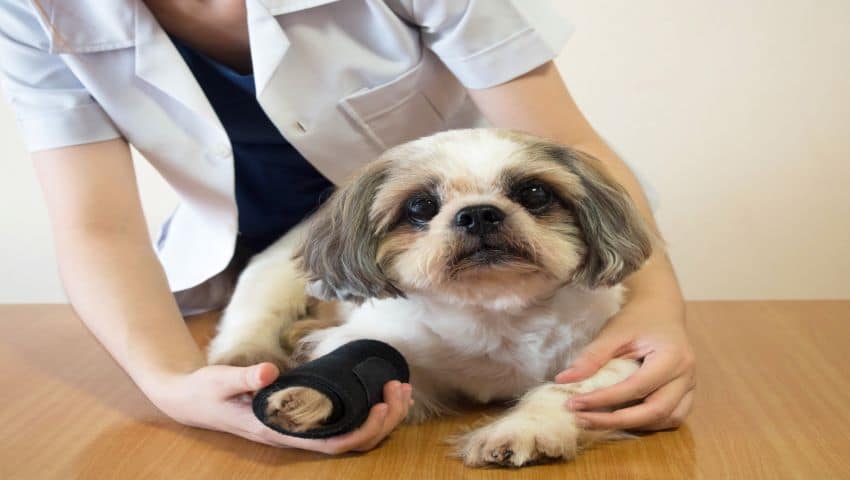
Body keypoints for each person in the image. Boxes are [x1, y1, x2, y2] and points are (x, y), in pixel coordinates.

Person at [0, 0, 695, 453]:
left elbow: (572, 146)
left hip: (468, 257)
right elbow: (97, 226)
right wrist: (167, 383)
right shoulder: (31, 11)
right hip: (298, 256)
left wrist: (659, 307)